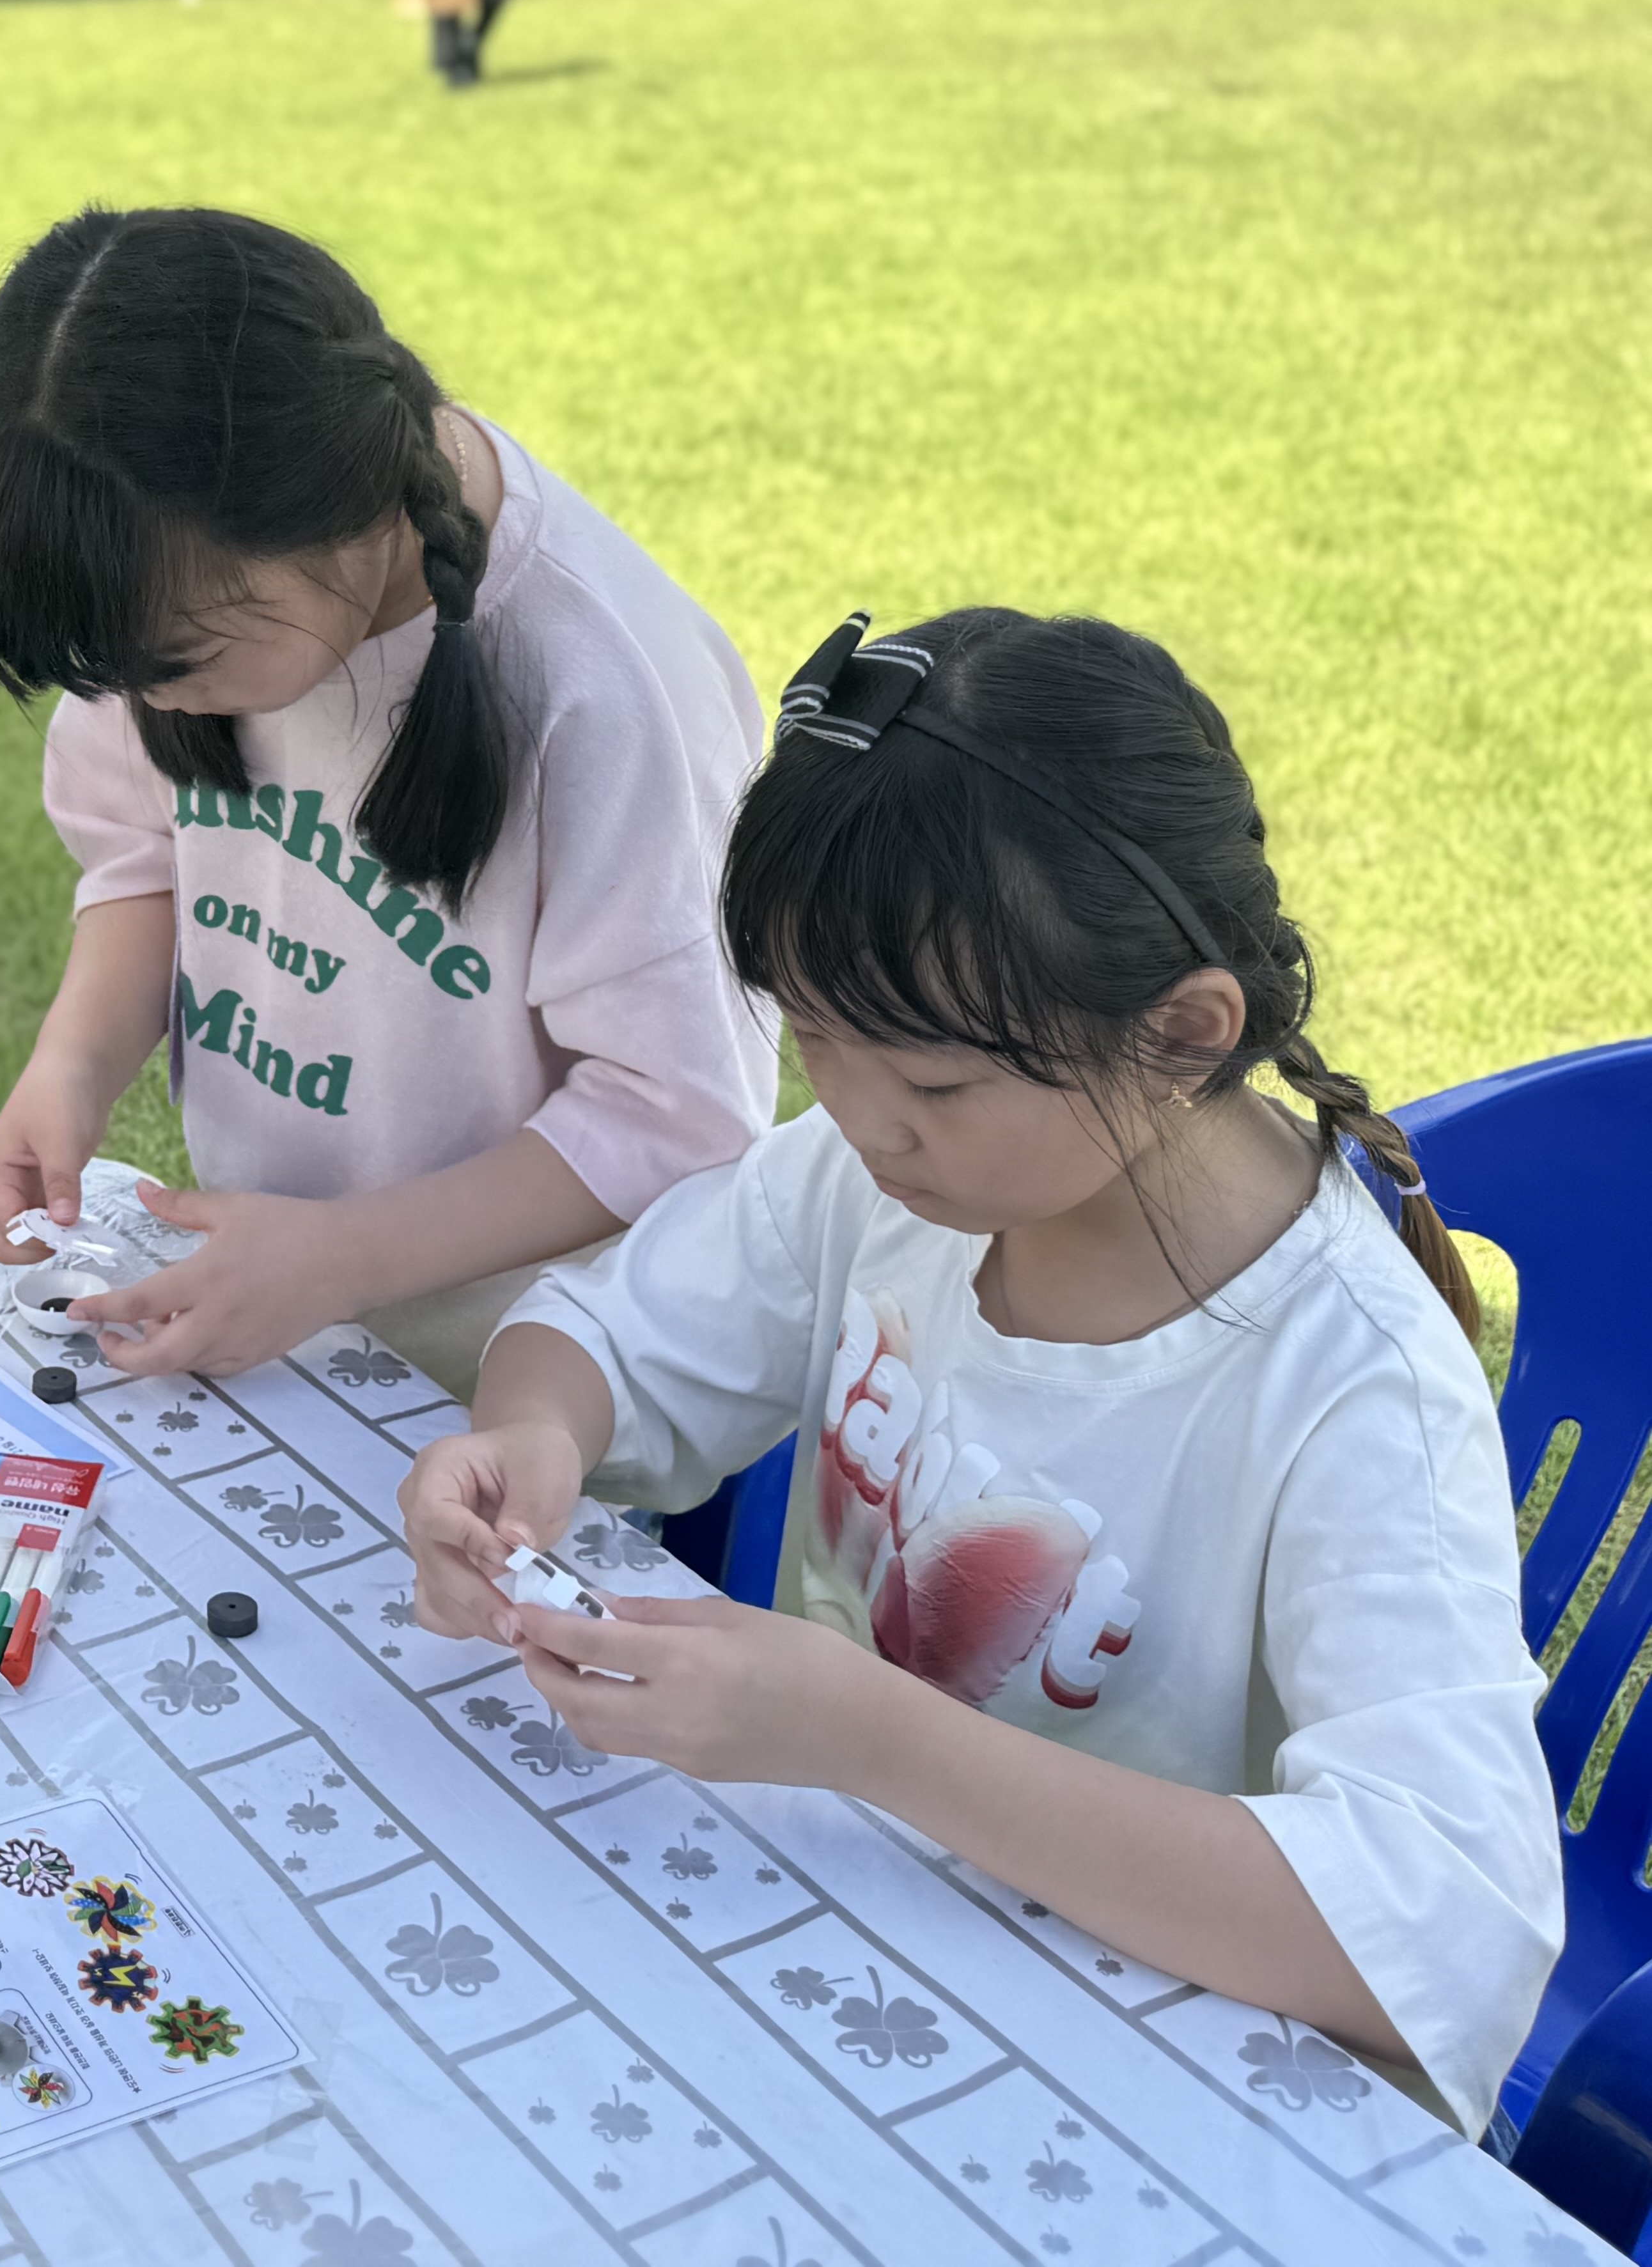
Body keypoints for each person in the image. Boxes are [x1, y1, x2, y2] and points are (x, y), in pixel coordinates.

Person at [398, 609, 1557, 2140]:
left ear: (1180, 1035)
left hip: (1142, 2088)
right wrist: (533, 1435)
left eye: (935, 1081)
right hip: (853, 1956)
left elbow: (1445, 1930)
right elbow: (605, 1331)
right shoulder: (889, 1183)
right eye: (814, 1040)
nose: (866, 1122)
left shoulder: (1353, 1391)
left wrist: (872, 1737)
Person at [0, 207, 775, 1391]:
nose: (140, 700)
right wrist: (71, 1068)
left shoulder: (604, 688)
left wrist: (339, 1257)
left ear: (339, 527)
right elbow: (145, 855)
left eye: (173, 662)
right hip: (285, 1337)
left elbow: (681, 1113)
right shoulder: (160, 587)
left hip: (547, 1397)